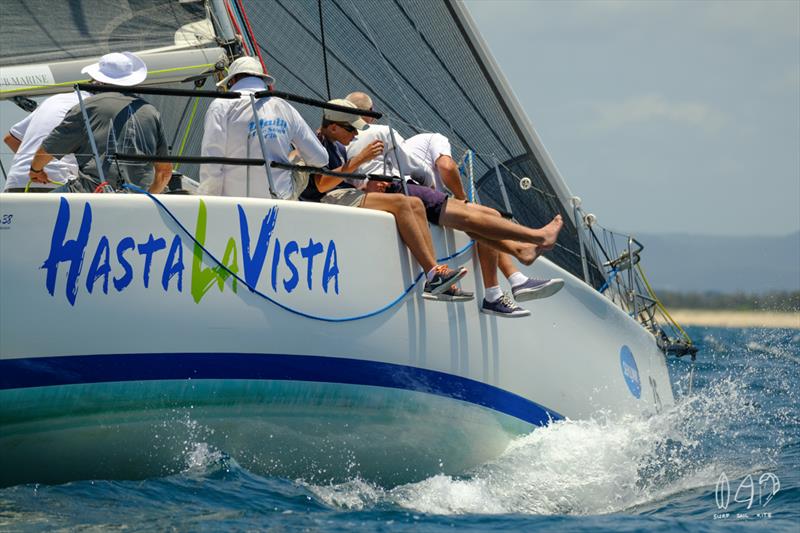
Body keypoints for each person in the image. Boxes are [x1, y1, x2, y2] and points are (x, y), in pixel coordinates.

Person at [345, 92, 564, 316]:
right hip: (407, 188)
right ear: (369, 114)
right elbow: (428, 167)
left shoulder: (343, 143)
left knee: (486, 216)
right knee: (475, 216)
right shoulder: (413, 136)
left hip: (379, 193)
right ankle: (530, 244)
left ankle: (510, 280)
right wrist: (447, 192)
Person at [301, 98, 468, 297]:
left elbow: (342, 176)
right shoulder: (319, 141)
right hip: (327, 197)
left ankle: (436, 274)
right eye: (351, 129)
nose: (356, 134)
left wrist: (367, 184)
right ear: (335, 128)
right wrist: (361, 158)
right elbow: (322, 184)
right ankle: (432, 274)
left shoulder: (338, 145)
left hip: (345, 193)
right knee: (401, 203)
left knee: (414, 203)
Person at [403, 132, 566, 315]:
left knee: (486, 218)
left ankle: (513, 280)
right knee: (489, 215)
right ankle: (505, 281)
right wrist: (461, 197)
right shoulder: (435, 138)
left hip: (420, 203)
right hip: (417, 201)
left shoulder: (401, 152)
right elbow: (447, 167)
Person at [30, 52, 172, 194]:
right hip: (138, 200)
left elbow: (48, 150)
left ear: (98, 80)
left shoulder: (87, 107)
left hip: (91, 194)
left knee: (33, 212)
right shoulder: (151, 112)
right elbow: (165, 173)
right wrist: (148, 199)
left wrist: (35, 170)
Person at [198, 56, 328, 199]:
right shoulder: (285, 107)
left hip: (234, 200)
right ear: (263, 80)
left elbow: (212, 159)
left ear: (232, 81)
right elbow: (320, 160)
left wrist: (209, 200)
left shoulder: (221, 105)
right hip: (280, 200)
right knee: (299, 158)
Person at [3, 89, 89, 192]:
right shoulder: (96, 106)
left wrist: (35, 165)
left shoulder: (54, 100)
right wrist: (38, 168)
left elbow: (11, 138)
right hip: (56, 181)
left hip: (16, 181)